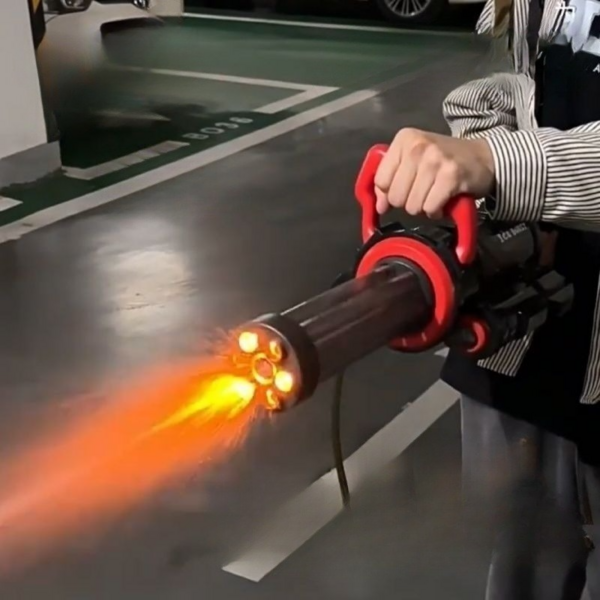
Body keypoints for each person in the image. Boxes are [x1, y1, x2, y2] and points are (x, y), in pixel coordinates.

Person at [374, 0, 600, 598]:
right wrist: (479, 148)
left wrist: (502, 164)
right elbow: (513, 79)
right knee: (519, 564)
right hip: (521, 340)